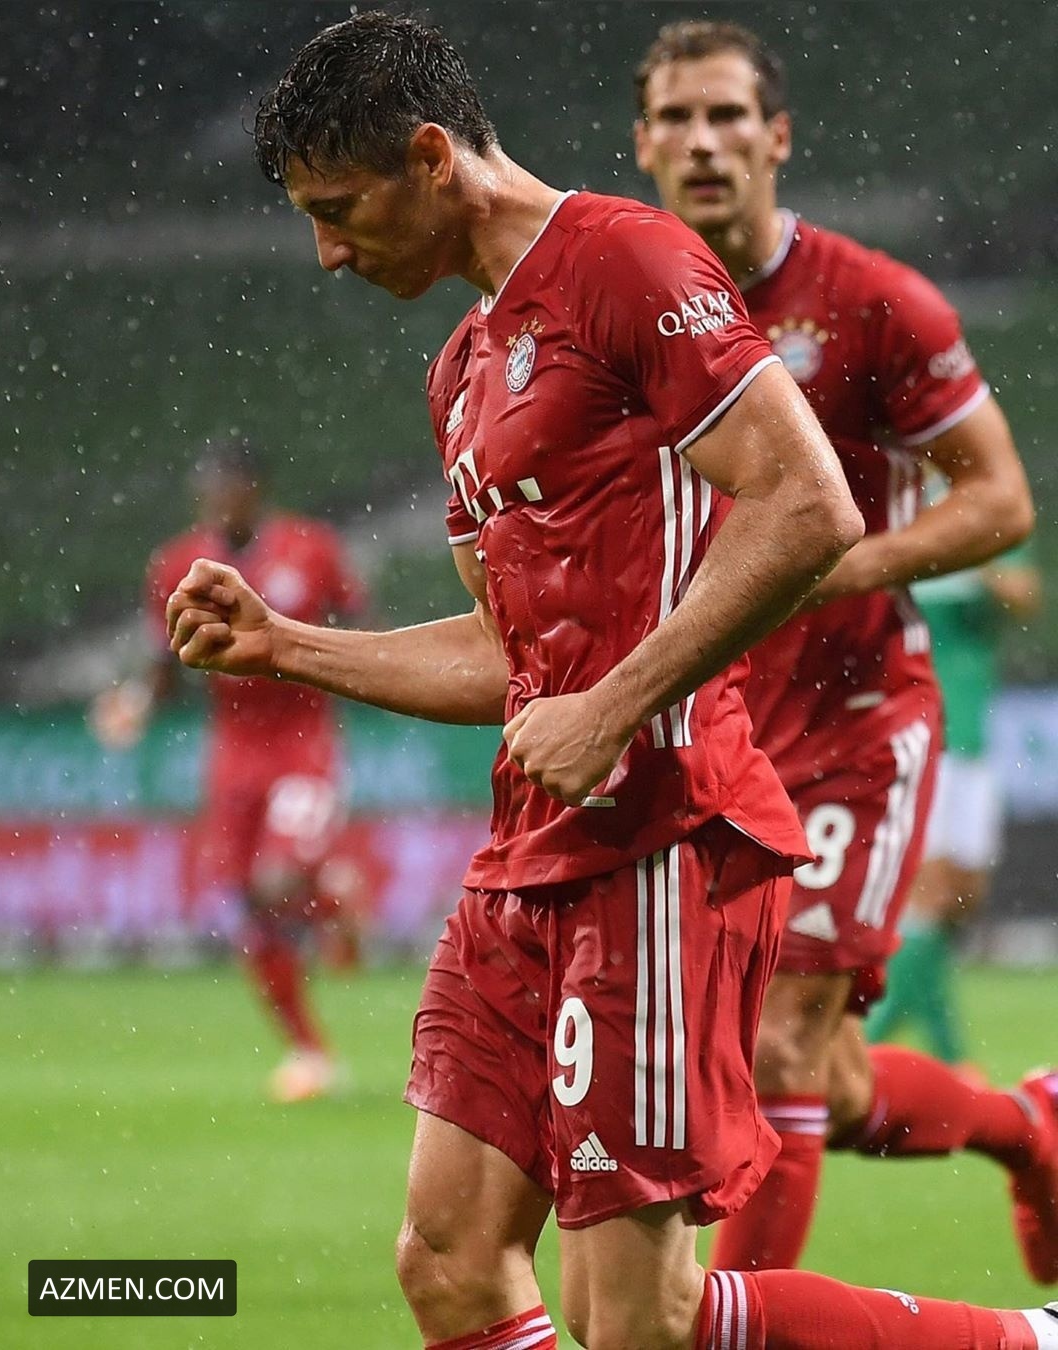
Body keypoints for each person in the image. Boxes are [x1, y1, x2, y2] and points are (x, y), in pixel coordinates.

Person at [167, 14, 1058, 1348]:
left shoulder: (624, 260)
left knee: (639, 1316)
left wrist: (614, 703)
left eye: (339, 211)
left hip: (660, 832)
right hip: (528, 852)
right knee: (449, 1263)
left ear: (431, 159)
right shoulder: (462, 370)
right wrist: (288, 645)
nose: (328, 254)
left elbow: (809, 502)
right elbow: (507, 656)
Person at [632, 16, 1056, 1284]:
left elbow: (1001, 501)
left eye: (727, 115)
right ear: (641, 144)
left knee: (777, 1050)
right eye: (676, 118)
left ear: (777, 137)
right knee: (810, 1071)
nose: (703, 141)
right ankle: (1029, 1126)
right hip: (706, 729)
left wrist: (843, 563)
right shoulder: (618, 309)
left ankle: (741, 1320)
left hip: (853, 723)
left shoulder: (872, 302)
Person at [92, 436, 366, 1103]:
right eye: (207, 488)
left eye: (226, 486)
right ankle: (309, 1051)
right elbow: (165, 661)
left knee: (277, 879)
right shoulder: (178, 564)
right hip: (235, 750)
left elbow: (362, 628)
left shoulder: (310, 548)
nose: (216, 499)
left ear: (254, 488)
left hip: (303, 741)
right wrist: (135, 703)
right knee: (247, 906)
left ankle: (329, 898)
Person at [866, 533, 1043, 1066]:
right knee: (930, 894)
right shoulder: (897, 521)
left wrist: (964, 548)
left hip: (972, 740)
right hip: (923, 737)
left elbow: (1024, 594)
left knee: (961, 898)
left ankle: (915, 1049)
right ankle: (882, 1046)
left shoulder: (976, 519)